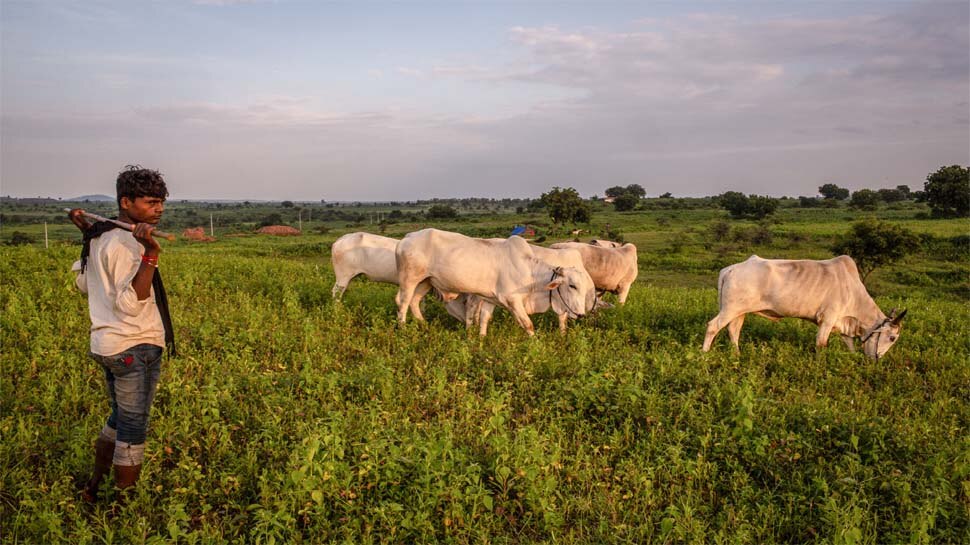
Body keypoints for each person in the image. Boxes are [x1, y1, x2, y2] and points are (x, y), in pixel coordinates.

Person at [69, 165, 175, 502]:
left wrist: (87, 233)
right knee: (133, 427)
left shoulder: (99, 235)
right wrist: (151, 255)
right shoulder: (129, 243)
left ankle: (93, 488)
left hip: (106, 345)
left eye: (161, 202)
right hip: (135, 346)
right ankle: (123, 506)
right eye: (150, 202)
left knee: (119, 418)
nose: (158, 209)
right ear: (126, 202)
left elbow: (83, 283)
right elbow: (131, 305)